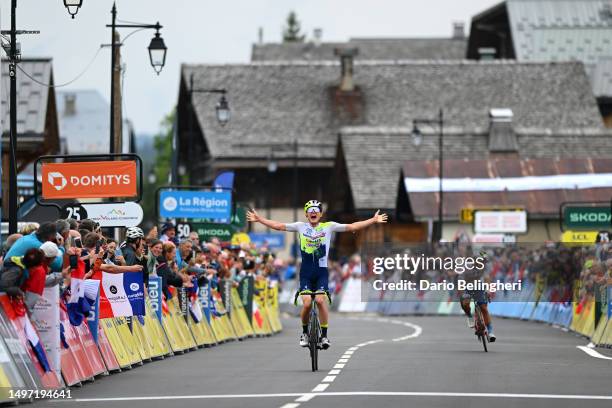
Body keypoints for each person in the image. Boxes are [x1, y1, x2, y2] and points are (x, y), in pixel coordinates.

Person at [247, 199, 387, 349]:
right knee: (307, 303)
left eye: (316, 211)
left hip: (321, 272)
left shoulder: (329, 226)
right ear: (306, 214)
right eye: (310, 211)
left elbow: (353, 226)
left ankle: (325, 336)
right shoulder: (300, 227)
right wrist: (259, 219)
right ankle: (305, 333)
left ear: (320, 214)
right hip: (306, 272)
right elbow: (278, 226)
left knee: (320, 301)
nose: (313, 213)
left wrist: (373, 220)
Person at [458, 249, 496, 342]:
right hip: (468, 286)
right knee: (465, 303)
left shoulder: (485, 266)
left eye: (484, 261)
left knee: (484, 308)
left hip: (479, 286)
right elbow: (461, 281)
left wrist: (488, 291)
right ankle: (469, 316)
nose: (482, 263)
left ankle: (490, 331)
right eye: (480, 261)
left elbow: (487, 279)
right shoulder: (467, 266)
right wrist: (462, 293)